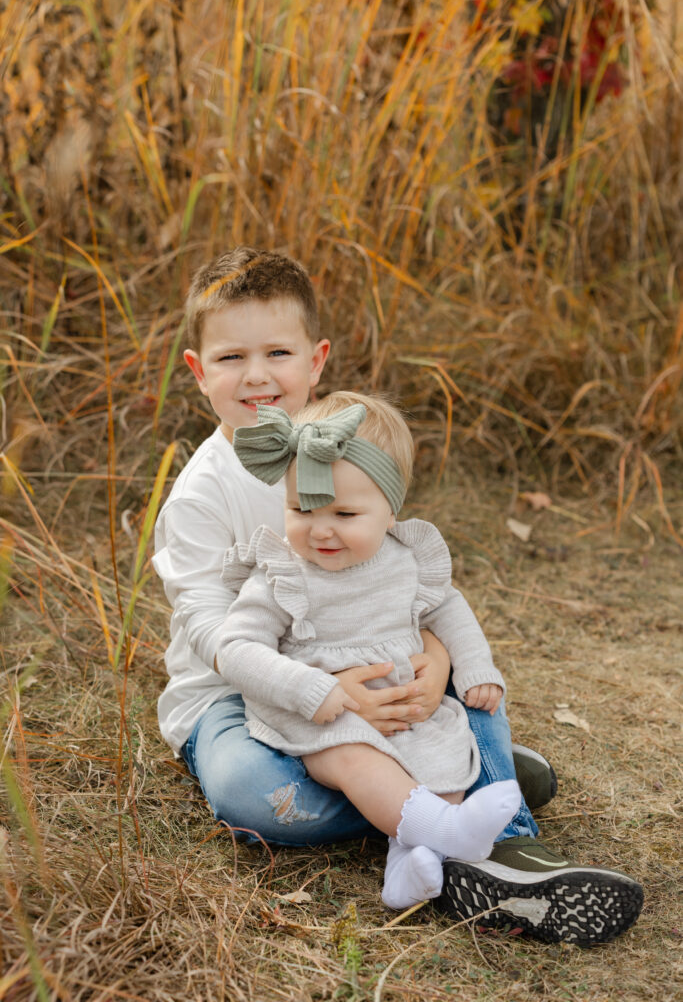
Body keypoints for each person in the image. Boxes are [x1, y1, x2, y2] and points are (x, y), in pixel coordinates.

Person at [152, 246, 643, 944]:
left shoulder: (350, 446)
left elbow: (408, 582)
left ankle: (506, 844)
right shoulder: (202, 495)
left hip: (368, 663)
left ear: (315, 360)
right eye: (231, 358)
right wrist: (322, 691)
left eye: (277, 354)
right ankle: (459, 789)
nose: (257, 376)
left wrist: (439, 657)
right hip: (238, 692)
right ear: (200, 373)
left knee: (468, 695)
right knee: (249, 796)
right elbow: (209, 628)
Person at [218, 393, 524, 910]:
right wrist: (312, 689)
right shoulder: (282, 571)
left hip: (403, 705)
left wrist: (474, 665)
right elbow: (235, 648)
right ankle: (452, 834)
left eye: (345, 512)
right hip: (322, 719)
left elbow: (448, 609)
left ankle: (408, 867)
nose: (320, 529)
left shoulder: (405, 559)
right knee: (358, 762)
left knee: (440, 757)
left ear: (390, 509)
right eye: (301, 507)